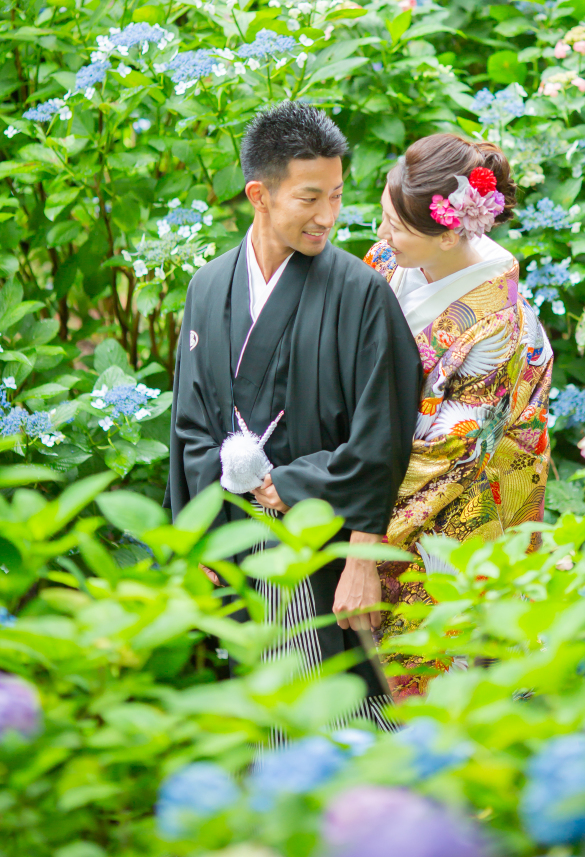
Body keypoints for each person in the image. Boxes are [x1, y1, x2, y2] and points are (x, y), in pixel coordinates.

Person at [166, 101, 421, 727]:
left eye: (336, 195)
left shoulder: (361, 292)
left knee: (343, 712)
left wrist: (360, 554)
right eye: (310, 199)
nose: (328, 216)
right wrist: (197, 530)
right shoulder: (208, 287)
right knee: (262, 710)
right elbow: (191, 426)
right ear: (259, 193)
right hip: (240, 538)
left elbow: (382, 435)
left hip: (323, 541)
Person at [365, 133, 553, 699]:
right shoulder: (394, 258)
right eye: (383, 218)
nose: (380, 238)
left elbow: (447, 455)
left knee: (440, 679)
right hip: (383, 462)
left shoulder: (496, 324)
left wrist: (353, 526)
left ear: (450, 231)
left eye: (395, 228)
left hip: (452, 500)